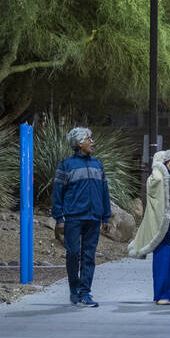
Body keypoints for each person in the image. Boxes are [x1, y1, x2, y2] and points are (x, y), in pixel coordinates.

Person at [51, 126, 112, 307]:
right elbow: (57, 193)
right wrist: (59, 218)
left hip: (94, 217)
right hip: (73, 218)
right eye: (88, 139)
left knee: (89, 256)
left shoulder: (97, 164)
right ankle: (74, 290)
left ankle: (85, 293)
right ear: (78, 143)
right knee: (73, 254)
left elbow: (104, 192)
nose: (92, 142)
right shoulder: (66, 165)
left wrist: (106, 217)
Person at [128, 149, 170, 304]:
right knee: (164, 261)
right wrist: (160, 169)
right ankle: (161, 294)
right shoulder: (156, 178)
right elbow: (157, 191)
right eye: (168, 161)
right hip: (166, 228)